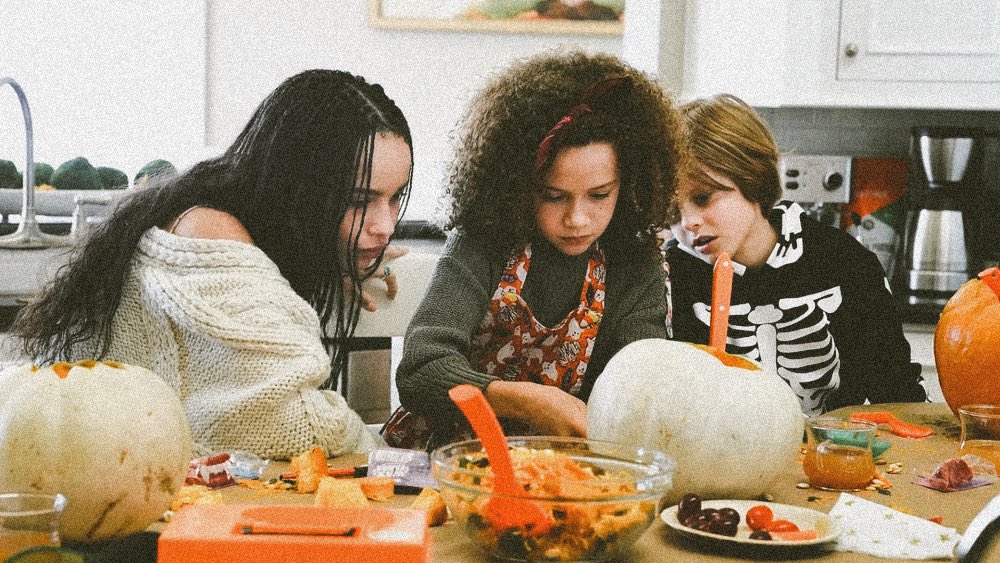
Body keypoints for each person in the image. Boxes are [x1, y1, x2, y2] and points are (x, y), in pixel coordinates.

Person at [10, 69, 413, 459]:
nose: (385, 226)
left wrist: (333, 261)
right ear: (299, 189)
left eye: (395, 197)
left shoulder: (219, 209)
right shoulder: (209, 233)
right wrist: (391, 455)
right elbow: (287, 423)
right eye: (360, 201)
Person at [383, 51, 685, 449]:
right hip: (449, 457)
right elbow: (422, 370)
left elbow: (636, 387)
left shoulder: (636, 261)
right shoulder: (484, 243)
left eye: (599, 195)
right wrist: (529, 401)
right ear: (519, 186)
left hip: (570, 460)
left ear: (629, 185)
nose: (577, 219)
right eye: (554, 196)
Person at [665, 93, 926, 415]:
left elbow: (896, 391)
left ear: (753, 180)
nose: (688, 223)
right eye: (671, 213)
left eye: (704, 198)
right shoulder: (669, 275)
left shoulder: (844, 264)